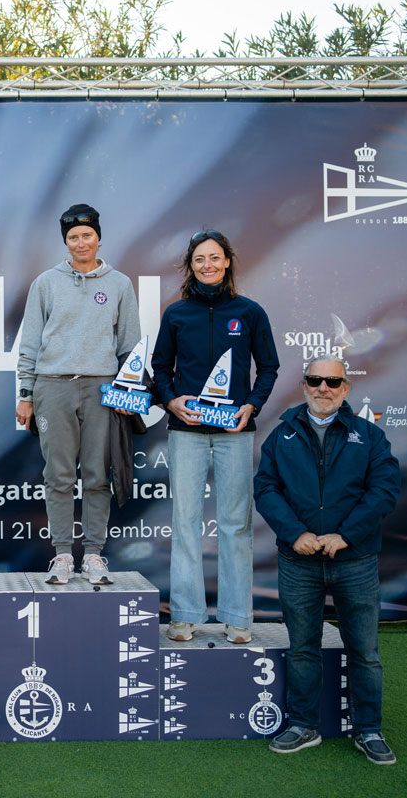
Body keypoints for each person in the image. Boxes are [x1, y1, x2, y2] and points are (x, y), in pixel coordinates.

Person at [253, 354, 400, 765]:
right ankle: (303, 725)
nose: (323, 389)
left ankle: (369, 729)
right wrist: (295, 533)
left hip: (355, 560)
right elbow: (266, 489)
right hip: (298, 561)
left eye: (333, 383)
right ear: (304, 385)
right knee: (302, 648)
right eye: (315, 380)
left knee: (365, 651)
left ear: (346, 388)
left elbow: (383, 491)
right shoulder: (281, 435)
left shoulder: (369, 436)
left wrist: (346, 535)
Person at [151, 230, 279, 644]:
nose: (207, 265)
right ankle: (185, 615)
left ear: (227, 262)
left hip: (234, 433)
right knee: (185, 522)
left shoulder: (250, 312)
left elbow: (270, 367)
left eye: (215, 258)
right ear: (191, 266)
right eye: (199, 259)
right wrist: (171, 402)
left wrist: (252, 405)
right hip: (185, 431)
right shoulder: (176, 314)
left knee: (235, 525)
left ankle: (238, 617)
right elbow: (160, 370)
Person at [17, 203, 141, 586]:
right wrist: (25, 393)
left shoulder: (119, 284)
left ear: (98, 237)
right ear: (66, 242)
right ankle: (62, 556)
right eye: (73, 237)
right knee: (58, 475)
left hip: (103, 387)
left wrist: (130, 392)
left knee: (96, 475)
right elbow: (31, 341)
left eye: (87, 234)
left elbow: (130, 346)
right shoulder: (46, 283)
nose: (81, 242)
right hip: (52, 386)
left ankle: (93, 556)